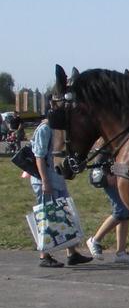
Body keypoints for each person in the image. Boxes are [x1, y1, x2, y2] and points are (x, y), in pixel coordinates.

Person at [28, 112, 93, 268]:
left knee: (65, 214)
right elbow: (39, 157)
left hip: (57, 179)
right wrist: (45, 181)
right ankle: (44, 255)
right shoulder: (45, 129)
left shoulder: (59, 131)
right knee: (48, 217)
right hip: (46, 180)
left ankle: (72, 253)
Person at [86, 167, 129, 264]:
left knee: (126, 212)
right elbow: (101, 154)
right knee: (121, 210)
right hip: (110, 174)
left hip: (120, 172)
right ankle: (95, 240)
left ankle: (121, 253)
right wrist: (107, 173)